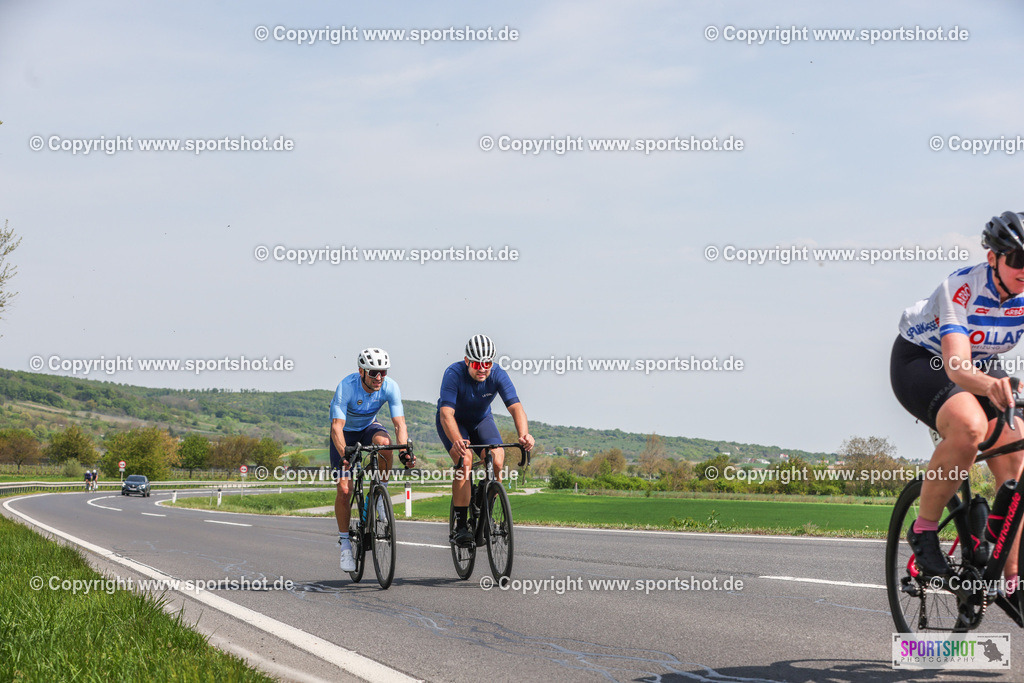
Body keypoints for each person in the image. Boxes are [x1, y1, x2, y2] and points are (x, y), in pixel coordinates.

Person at [892, 211, 1024, 584]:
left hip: (981, 361)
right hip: (925, 360)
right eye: (1017, 259)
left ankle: (1009, 573)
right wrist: (993, 387)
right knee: (970, 426)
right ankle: (924, 528)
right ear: (993, 259)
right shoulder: (961, 288)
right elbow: (957, 368)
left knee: (1016, 443)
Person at [436, 334, 534, 548]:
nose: (482, 368)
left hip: (481, 420)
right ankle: (461, 525)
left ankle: (486, 502)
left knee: (498, 459)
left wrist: (524, 434)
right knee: (465, 461)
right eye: (477, 364)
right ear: (466, 361)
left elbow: (516, 407)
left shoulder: (497, 374)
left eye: (487, 363)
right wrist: (457, 441)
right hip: (453, 422)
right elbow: (446, 414)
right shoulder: (453, 374)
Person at [329, 348, 411, 572]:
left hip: (367, 428)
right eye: (374, 373)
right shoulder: (346, 387)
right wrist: (344, 454)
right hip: (344, 434)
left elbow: (399, 424)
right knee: (345, 490)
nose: (379, 378)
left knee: (385, 445)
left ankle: (379, 494)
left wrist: (404, 451)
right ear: (361, 371)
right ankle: (345, 544)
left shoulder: (390, 386)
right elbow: (337, 427)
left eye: (383, 373)